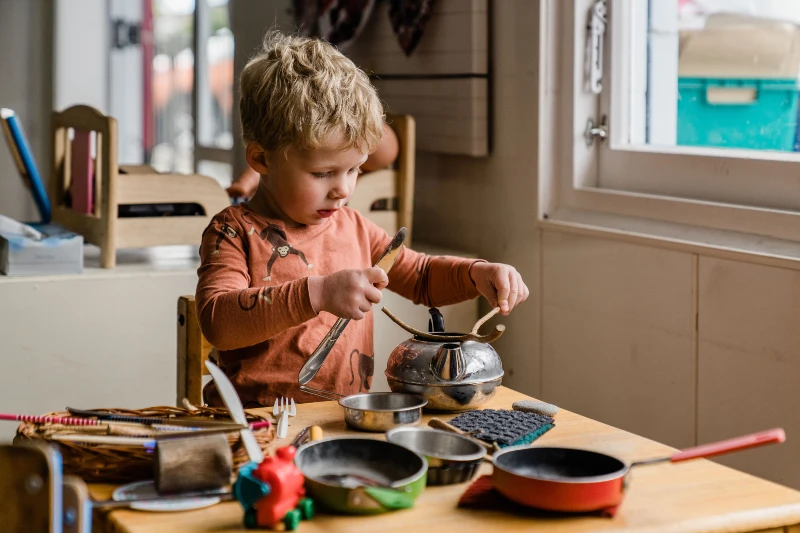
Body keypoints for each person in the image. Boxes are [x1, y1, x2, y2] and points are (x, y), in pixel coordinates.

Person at [196, 31, 528, 409]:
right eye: (323, 173)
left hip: (345, 420)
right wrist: (317, 293)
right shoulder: (233, 230)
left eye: (354, 170)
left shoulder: (353, 226)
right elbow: (218, 323)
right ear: (261, 160)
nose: (343, 189)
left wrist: (476, 274)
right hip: (257, 429)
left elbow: (419, 277)